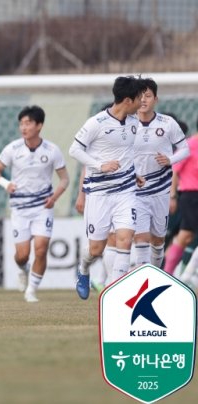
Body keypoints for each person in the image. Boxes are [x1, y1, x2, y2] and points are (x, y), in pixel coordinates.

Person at [69, 75, 147, 300]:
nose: (142, 103)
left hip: (125, 192)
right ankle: (83, 270)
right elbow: (75, 150)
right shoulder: (97, 123)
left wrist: (135, 174)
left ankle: (114, 292)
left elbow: (126, 153)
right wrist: (100, 165)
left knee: (125, 238)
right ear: (127, 100)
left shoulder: (134, 123)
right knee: (96, 250)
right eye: (139, 98)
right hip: (99, 194)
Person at [0, 106, 69, 302]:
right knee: (22, 255)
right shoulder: (13, 149)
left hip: (43, 206)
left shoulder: (51, 150)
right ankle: (23, 269)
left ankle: (31, 290)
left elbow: (64, 179)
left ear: (39, 125)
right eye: (21, 124)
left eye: (28, 123)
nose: (23, 128)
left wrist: (54, 198)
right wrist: (6, 183)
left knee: (41, 248)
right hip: (19, 208)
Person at [130, 81, 189, 269]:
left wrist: (170, 160)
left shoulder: (167, 123)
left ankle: (155, 272)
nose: (143, 100)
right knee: (141, 237)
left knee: (158, 239)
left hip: (161, 189)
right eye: (140, 96)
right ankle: (143, 278)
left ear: (156, 99)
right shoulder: (127, 124)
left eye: (148, 96)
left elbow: (185, 150)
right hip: (136, 189)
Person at [165, 115, 198, 277]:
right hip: (190, 196)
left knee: (186, 236)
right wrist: (172, 197)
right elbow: (175, 172)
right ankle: (175, 274)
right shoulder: (190, 145)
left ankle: (178, 275)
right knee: (186, 235)